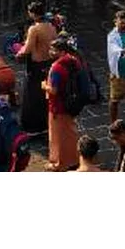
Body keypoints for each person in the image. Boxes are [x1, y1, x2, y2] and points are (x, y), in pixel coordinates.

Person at [15, 1, 56, 135]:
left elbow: (28, 48)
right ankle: (45, 123)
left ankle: (33, 127)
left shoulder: (35, 29)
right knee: (44, 95)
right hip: (48, 63)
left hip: (36, 65)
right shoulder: (51, 26)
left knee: (32, 95)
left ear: (32, 13)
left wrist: (18, 52)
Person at [43, 36, 82, 171]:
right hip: (72, 102)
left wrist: (44, 86)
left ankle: (60, 163)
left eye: (53, 50)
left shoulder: (57, 68)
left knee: (57, 136)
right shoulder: (74, 61)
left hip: (58, 106)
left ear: (61, 51)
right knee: (71, 132)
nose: (50, 52)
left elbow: (53, 90)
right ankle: (75, 158)